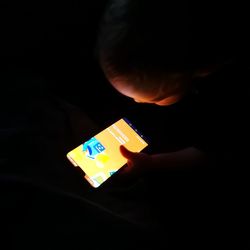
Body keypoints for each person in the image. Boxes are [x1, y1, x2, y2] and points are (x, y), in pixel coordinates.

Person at [95, 0, 250, 247]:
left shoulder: (227, 103)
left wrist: (152, 164)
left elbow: (212, 153)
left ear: (196, 72)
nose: (137, 102)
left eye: (154, 99)